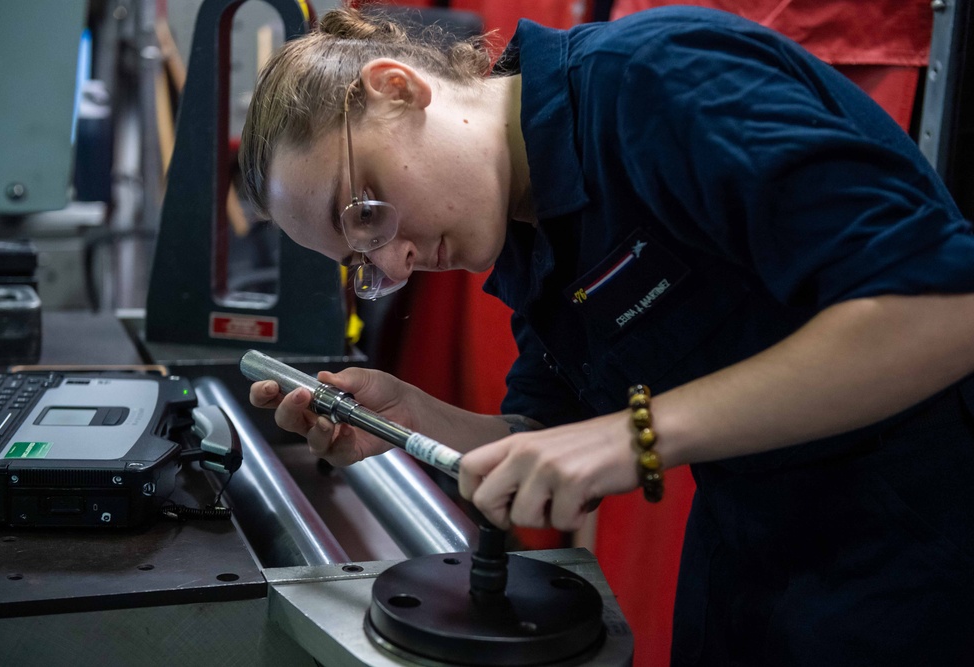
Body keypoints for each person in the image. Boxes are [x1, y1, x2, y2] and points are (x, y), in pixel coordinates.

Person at [240, 6, 974, 665]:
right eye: (363, 263)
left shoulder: (655, 82)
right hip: (757, 567)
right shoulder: (527, 234)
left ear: (397, 90)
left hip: (922, 549)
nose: (397, 261)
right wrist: (415, 419)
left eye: (365, 211)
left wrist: (636, 436)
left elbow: (944, 307)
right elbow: (550, 438)